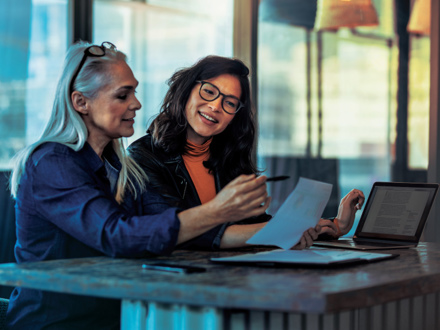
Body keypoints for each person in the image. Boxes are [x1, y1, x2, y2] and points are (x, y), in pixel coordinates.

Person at [6, 42, 273, 329]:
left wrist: (282, 231)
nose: (136, 103)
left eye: (133, 91)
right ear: (81, 102)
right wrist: (217, 211)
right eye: (123, 95)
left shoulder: (119, 166)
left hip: (116, 317)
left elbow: (162, 228)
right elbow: (117, 235)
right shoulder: (52, 162)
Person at [128, 55, 365, 249]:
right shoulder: (143, 156)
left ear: (234, 116)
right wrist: (283, 230)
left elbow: (255, 226)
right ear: (187, 90)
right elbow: (181, 232)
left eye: (229, 103)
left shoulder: (228, 158)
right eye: (209, 91)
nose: (215, 106)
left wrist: (334, 225)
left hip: (233, 279)